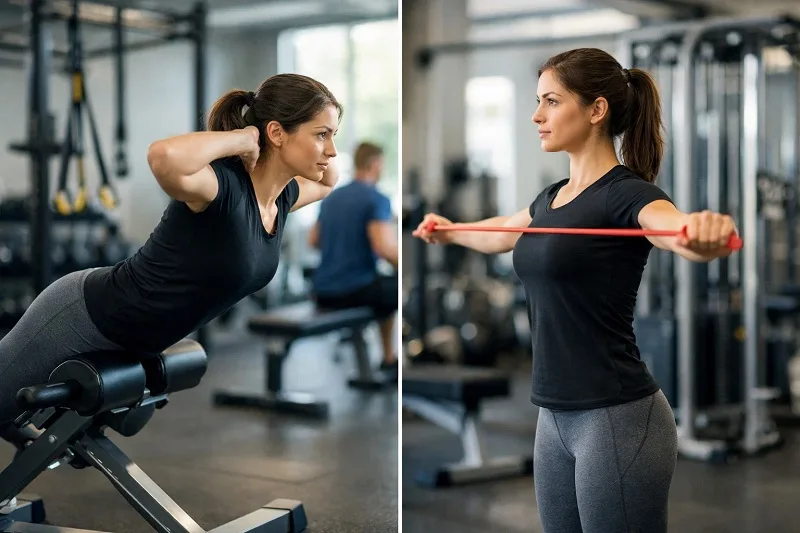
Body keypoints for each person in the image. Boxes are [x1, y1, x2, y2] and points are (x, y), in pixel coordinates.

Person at [413, 47, 739, 533]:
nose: (536, 115)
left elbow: (675, 232)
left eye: (550, 101)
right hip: (554, 419)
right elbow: (502, 232)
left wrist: (702, 233)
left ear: (595, 109)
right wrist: (449, 229)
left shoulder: (629, 193)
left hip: (618, 417)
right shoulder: (552, 198)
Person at [0, 73, 342, 445]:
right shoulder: (220, 187)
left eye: (333, 135)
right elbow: (162, 156)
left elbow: (328, 182)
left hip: (129, 340)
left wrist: (323, 120)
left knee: (16, 417)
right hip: (82, 315)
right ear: (276, 133)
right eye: (321, 135)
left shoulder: (283, 199)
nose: (332, 150)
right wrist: (244, 137)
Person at [307, 141, 398, 371]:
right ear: (375, 164)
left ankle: (385, 356)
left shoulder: (331, 197)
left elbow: (314, 241)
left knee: (383, 288)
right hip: (354, 292)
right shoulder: (377, 198)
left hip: (322, 292)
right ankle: (389, 359)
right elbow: (384, 249)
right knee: (395, 289)